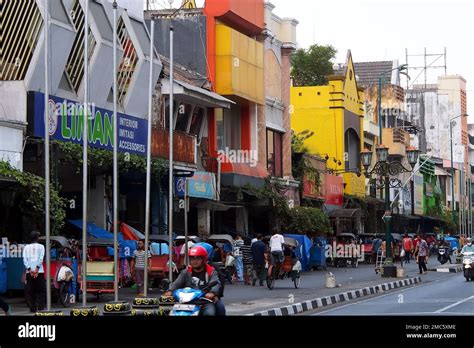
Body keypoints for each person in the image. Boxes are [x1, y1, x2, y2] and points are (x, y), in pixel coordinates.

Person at [163, 246, 222, 316]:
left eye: (198, 259)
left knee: (210, 313)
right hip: (185, 301)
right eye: (192, 259)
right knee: (165, 310)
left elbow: (216, 283)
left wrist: (212, 292)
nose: (194, 261)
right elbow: (177, 283)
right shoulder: (186, 272)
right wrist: (170, 290)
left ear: (203, 259)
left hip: (204, 301)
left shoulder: (211, 271)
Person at [195, 242, 226, 316]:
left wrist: (215, 295)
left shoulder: (213, 267)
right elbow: (180, 282)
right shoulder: (189, 268)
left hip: (207, 297)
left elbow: (220, 282)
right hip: (191, 298)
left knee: (220, 308)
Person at [23, 231, 46, 312]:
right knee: (41, 290)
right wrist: (36, 270)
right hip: (39, 272)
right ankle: (40, 307)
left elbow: (25, 260)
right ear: (37, 238)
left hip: (29, 273)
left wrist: (30, 270)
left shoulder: (26, 247)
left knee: (30, 291)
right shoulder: (41, 246)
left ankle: (32, 308)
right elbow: (41, 258)